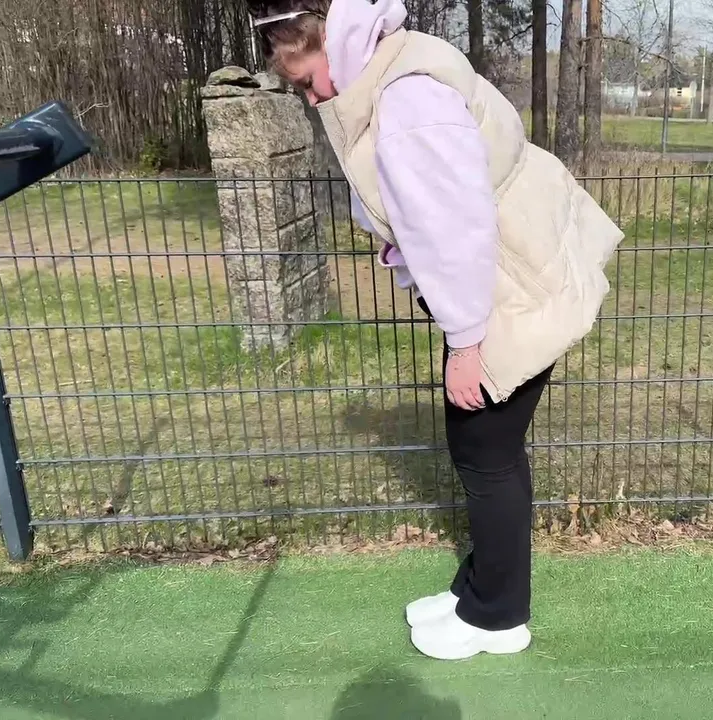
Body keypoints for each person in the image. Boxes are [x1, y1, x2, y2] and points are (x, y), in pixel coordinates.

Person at [250, 0, 622, 660]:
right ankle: (481, 588)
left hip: (510, 291)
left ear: (331, 40)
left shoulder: (404, 105)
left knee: (484, 450)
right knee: (493, 449)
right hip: (517, 274)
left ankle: (498, 617)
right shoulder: (399, 64)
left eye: (306, 80)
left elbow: (454, 232)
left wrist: (466, 343)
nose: (310, 98)